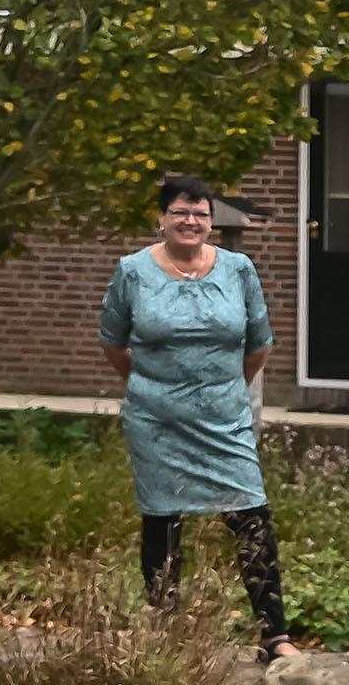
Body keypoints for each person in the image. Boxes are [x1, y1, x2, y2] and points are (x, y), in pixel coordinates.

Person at [100, 176, 290, 658]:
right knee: (163, 519)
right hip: (156, 420)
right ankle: (166, 636)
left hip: (224, 418)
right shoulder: (133, 271)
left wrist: (221, 389)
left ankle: (276, 636)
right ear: (162, 218)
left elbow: (259, 343)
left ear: (211, 222)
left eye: (201, 214)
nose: (191, 221)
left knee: (251, 516)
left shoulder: (238, 269)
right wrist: (153, 388)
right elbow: (114, 342)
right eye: (181, 212)